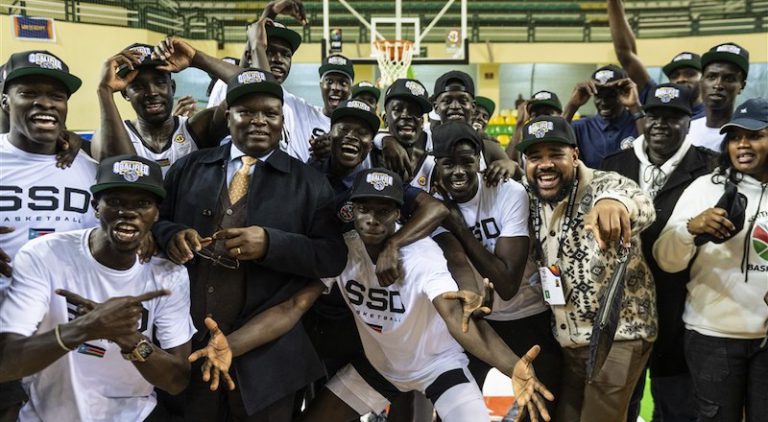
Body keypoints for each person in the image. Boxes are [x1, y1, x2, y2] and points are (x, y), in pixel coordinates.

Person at [150, 53, 347, 419]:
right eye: (246, 112)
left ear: (282, 119)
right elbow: (155, 221)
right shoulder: (189, 167)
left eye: (270, 113)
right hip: (187, 347)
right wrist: (172, 234)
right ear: (227, 116)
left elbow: (332, 256)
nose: (259, 121)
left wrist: (272, 243)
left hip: (269, 360)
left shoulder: (310, 184)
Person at [295, 168, 554, 422]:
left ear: (398, 214)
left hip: (438, 367)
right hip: (381, 367)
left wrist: (512, 367)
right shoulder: (342, 251)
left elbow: (455, 316)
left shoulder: (422, 254)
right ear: (352, 211)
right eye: (364, 209)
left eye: (383, 211)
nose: (372, 218)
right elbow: (294, 305)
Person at [0, 155, 195, 421]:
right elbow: (6, 364)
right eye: (115, 202)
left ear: (157, 213)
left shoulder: (169, 274)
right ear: (95, 206)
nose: (128, 212)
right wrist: (85, 328)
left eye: (143, 204)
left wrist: (129, 339)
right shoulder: (44, 255)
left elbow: (176, 380)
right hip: (45, 415)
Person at [516, 115, 657, 422]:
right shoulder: (528, 196)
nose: (545, 165)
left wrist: (613, 204)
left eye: (555, 154)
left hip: (618, 334)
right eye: (535, 157)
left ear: (575, 155)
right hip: (569, 341)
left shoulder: (607, 184)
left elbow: (641, 205)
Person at [602, 83, 719, 422]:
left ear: (688, 122)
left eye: (673, 117)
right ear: (643, 117)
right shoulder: (613, 166)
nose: (661, 125)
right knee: (620, 406)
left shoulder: (711, 168)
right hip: (623, 312)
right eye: (654, 116)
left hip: (682, 308)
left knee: (676, 407)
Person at [431, 122, 562, 418]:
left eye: (467, 161)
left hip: (526, 315)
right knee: (454, 412)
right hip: (475, 319)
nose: (459, 171)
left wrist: (460, 227)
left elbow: (506, 284)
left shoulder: (508, 192)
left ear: (480, 159)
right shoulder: (433, 204)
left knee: (540, 405)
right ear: (436, 165)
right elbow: (456, 260)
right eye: (448, 164)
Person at [653, 98, 768, 422]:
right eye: (735, 137)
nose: (742, 144)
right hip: (712, 336)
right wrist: (691, 229)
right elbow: (666, 259)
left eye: (754, 135)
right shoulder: (706, 187)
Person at [0, 49, 100, 422]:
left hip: (72, 341)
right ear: (5, 99)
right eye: (29, 93)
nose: (45, 103)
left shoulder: (91, 167)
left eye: (56, 95)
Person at [92, 43, 235, 173]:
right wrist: (104, 90)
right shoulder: (105, 136)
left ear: (172, 87)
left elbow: (252, 89)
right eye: (138, 86)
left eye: (160, 82)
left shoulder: (199, 127)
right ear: (125, 94)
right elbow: (125, 173)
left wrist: (196, 58)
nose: (152, 92)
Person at [607, 0, 706, 119]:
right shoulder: (656, 99)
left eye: (690, 74)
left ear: (704, 78)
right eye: (675, 75)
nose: (681, 79)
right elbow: (626, 54)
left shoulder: (713, 115)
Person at [562, 65, 644, 168]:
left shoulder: (638, 124)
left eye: (611, 96)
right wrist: (572, 106)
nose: (604, 102)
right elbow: (553, 141)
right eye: (598, 96)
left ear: (625, 93)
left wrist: (635, 105)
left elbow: (650, 148)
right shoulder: (580, 127)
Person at [688, 42, 750, 152]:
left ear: (742, 86)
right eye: (711, 77)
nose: (718, 85)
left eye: (729, 79)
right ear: (701, 81)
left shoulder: (750, 134)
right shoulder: (686, 129)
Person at [507, 90, 563, 161]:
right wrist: (520, 124)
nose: (541, 118)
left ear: (560, 115)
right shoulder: (526, 142)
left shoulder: (569, 139)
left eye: (548, 113)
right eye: (536, 115)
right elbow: (509, 164)